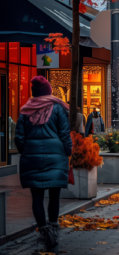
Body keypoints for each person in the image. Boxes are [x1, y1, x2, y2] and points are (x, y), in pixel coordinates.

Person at [16, 76, 72, 253]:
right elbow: (64, 133)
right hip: (55, 157)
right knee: (54, 196)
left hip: (31, 156)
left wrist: (26, 149)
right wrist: (68, 151)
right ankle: (53, 232)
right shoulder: (58, 107)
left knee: (37, 197)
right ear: (48, 91)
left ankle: (44, 233)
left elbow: (19, 137)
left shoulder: (25, 110)